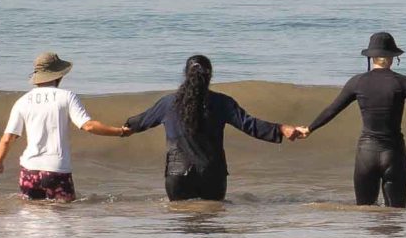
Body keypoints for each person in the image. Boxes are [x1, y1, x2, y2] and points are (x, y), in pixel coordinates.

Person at [298, 32, 406, 207]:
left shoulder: (357, 82)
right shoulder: (403, 82)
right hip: (394, 154)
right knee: (396, 214)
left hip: (366, 154)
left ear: (371, 57)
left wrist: (309, 129)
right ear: (393, 57)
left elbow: (332, 109)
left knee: (366, 212)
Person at [123, 54, 303, 201]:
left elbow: (140, 122)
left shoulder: (168, 103)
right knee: (211, 228)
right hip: (212, 174)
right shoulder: (222, 103)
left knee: (184, 229)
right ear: (210, 76)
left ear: (185, 75)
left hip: (177, 174)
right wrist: (281, 129)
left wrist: (123, 128)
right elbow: (250, 125)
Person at [0, 51, 131, 202]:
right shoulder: (67, 96)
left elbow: (8, 138)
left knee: (31, 219)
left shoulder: (22, 101)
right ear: (59, 75)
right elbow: (88, 126)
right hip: (56, 170)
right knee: (62, 218)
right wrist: (120, 131)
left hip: (29, 169)